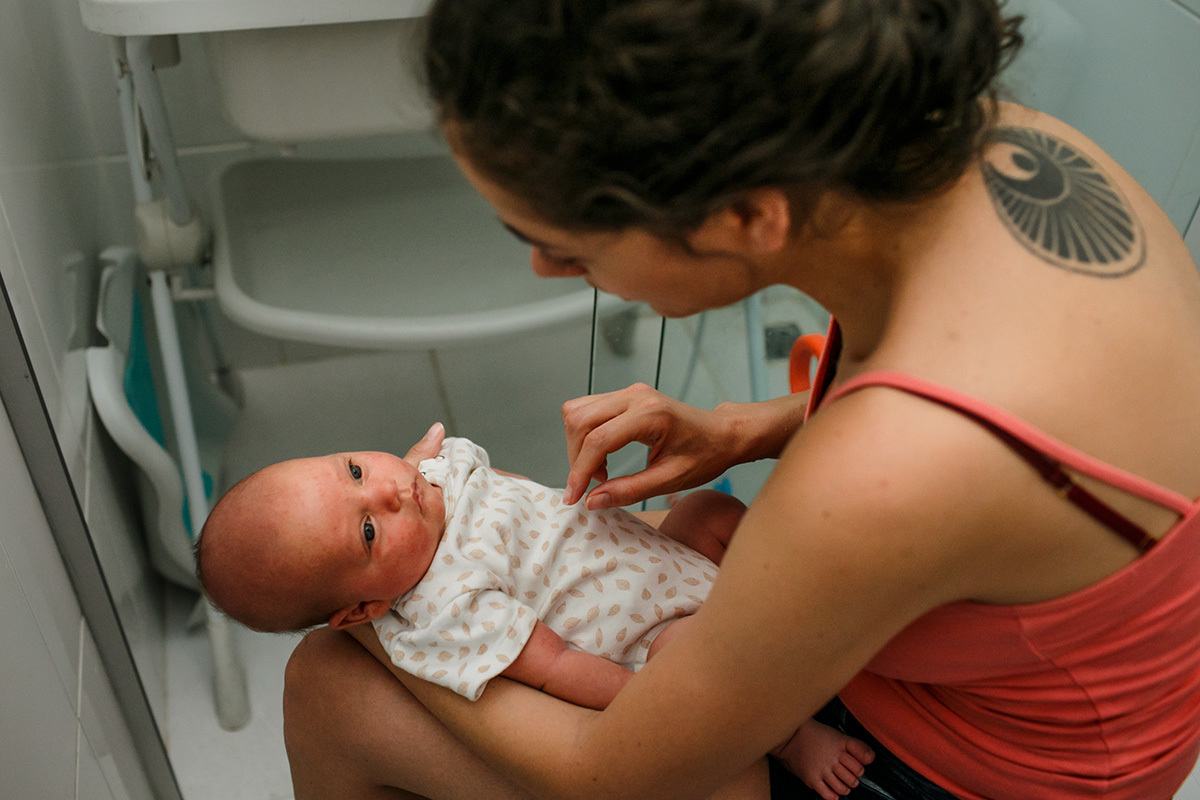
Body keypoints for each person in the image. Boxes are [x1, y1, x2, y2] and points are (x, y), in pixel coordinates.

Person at [281, 1, 1200, 798]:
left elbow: (608, 774)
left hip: (957, 773)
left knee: (329, 691)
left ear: (749, 220)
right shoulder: (996, 142)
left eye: (568, 246)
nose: (544, 268)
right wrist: (747, 428)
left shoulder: (885, 477)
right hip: (1048, 690)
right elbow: (1015, 444)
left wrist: (398, 630)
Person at [198, 424, 875, 799]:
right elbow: (554, 664)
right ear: (364, 607)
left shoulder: (424, 480)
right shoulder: (447, 611)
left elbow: (535, 509)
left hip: (658, 561)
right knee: (694, 662)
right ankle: (790, 736)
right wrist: (647, 701)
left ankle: (791, 619)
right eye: (368, 532)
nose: (388, 492)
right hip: (655, 632)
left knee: (711, 512)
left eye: (352, 470)